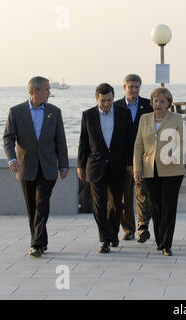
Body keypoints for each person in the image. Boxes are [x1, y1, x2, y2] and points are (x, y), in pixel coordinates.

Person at [3, 76, 69, 258]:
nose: (49, 92)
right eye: (47, 89)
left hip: (48, 167)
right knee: (32, 206)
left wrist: (64, 165)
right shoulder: (16, 112)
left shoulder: (54, 112)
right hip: (25, 167)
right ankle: (41, 241)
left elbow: (60, 140)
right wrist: (11, 158)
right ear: (35, 91)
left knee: (42, 204)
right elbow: (8, 138)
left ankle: (36, 244)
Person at [77, 83, 133, 254]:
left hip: (118, 166)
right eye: (103, 101)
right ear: (97, 99)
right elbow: (83, 143)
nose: (107, 104)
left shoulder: (124, 113)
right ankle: (104, 239)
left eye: (109, 100)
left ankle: (113, 233)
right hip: (95, 166)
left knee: (116, 204)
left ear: (113, 98)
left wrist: (131, 163)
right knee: (99, 205)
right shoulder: (88, 115)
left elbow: (130, 141)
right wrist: (80, 166)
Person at [133, 87, 185, 256]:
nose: (158, 104)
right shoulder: (144, 119)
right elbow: (138, 145)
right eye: (155, 101)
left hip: (172, 170)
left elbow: (184, 142)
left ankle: (166, 244)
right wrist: (137, 168)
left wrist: (174, 156)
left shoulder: (176, 118)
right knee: (155, 207)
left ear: (168, 104)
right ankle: (159, 240)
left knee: (168, 207)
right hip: (150, 168)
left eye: (162, 101)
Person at [114, 74, 153, 242]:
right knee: (124, 197)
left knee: (143, 194)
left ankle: (142, 226)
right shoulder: (116, 106)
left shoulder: (148, 105)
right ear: (124, 87)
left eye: (137, 87)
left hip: (143, 157)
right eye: (131, 87)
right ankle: (128, 228)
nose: (134, 90)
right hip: (121, 158)